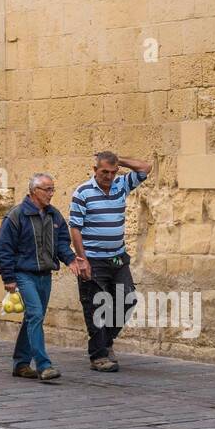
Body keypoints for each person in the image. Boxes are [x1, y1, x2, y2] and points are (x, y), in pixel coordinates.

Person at [68, 151, 153, 372]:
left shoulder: (121, 186)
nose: (108, 176)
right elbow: (75, 228)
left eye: (113, 172)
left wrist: (121, 160)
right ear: (95, 170)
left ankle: (105, 342)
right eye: (104, 171)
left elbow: (145, 167)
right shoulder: (83, 193)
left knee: (127, 299)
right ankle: (98, 356)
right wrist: (82, 259)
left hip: (117, 257)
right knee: (95, 305)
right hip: (93, 260)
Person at [0, 173, 79, 381]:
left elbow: (61, 242)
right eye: (47, 189)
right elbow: (3, 250)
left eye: (52, 189)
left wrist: (71, 259)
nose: (51, 194)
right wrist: (9, 278)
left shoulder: (54, 215)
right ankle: (44, 365)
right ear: (34, 191)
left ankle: (21, 364)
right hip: (23, 274)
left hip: (45, 275)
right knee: (35, 315)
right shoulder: (16, 215)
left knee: (32, 317)